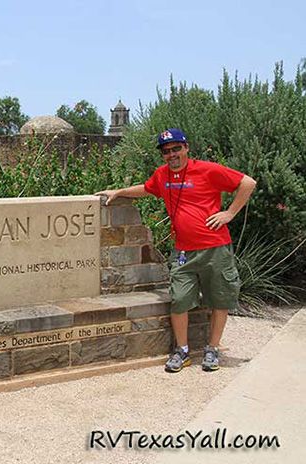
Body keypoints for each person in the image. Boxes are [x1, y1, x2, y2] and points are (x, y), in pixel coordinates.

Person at [96, 128, 256, 372]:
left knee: (219, 300)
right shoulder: (162, 175)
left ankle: (212, 349)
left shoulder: (207, 170)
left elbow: (247, 183)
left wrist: (230, 213)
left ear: (186, 147)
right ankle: (182, 351)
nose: (172, 154)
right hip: (183, 251)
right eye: (166, 151)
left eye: (176, 149)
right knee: (180, 300)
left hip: (215, 248)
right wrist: (119, 192)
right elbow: (148, 189)